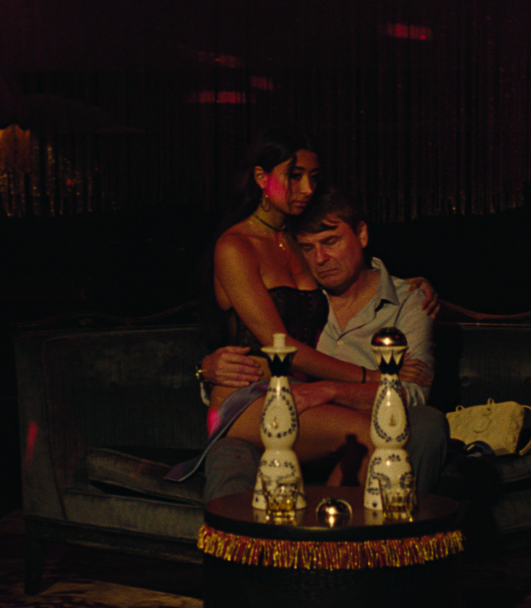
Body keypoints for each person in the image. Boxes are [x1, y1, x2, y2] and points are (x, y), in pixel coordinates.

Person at [191, 186, 447, 501]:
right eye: (307, 248)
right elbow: (254, 350)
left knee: (424, 424)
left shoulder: (408, 301)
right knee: (231, 450)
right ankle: (231, 532)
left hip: (362, 427)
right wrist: (207, 370)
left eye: (330, 242)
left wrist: (332, 390)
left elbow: (413, 391)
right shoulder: (301, 299)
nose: (321, 259)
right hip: (295, 427)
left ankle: (378, 526)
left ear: (361, 235)